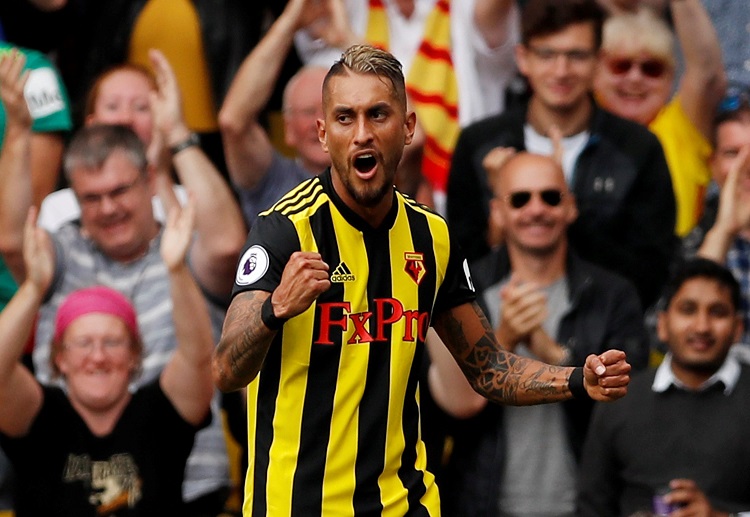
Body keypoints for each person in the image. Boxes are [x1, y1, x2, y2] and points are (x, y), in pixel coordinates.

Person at [212, 44, 631, 516]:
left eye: (379, 115)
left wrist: (578, 379)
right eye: (346, 119)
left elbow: (488, 369)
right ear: (323, 134)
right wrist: (274, 310)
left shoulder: (432, 237)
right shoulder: (285, 230)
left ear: (407, 127)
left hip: (403, 504)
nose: (363, 134)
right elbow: (226, 371)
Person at [0, 51, 247, 514]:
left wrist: (175, 135)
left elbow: (229, 245)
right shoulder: (65, 246)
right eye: (91, 198)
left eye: (120, 192)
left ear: (149, 180)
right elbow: (13, 242)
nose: (108, 208)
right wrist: (18, 134)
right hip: (63, 466)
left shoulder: (182, 238)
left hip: (187, 476)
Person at [427, 152, 649, 516]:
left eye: (550, 197)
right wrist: (503, 340)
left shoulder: (612, 294)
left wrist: (552, 352)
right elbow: (447, 412)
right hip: (480, 504)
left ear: (571, 207)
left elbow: (632, 414)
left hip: (586, 505)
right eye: (520, 199)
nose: (536, 209)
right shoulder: (462, 291)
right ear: (497, 212)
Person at [446, 0, 676, 310]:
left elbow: (649, 275)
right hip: (497, 333)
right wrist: (500, 217)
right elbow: (457, 271)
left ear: (599, 62)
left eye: (576, 56)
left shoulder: (638, 149)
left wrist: (564, 207)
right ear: (523, 59)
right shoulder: (480, 144)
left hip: (604, 339)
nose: (561, 71)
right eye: (547, 55)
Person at [0, 198, 216, 515]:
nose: (98, 356)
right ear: (59, 358)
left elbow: (199, 358)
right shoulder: (42, 417)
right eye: (83, 343)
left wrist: (177, 270)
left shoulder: (158, 414)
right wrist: (34, 287)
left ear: (134, 355)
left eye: (113, 342)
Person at [292, 0, 521, 210]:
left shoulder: (465, 9)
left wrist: (348, 39)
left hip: (465, 204)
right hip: (372, 202)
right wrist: (346, 37)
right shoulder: (350, 10)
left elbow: (414, 141)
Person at [577, 257, 750, 516]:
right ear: (662, 324)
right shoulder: (621, 399)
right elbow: (592, 508)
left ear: (738, 328)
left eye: (717, 312)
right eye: (688, 309)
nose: (702, 326)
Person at [594, 1, 726, 237]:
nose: (635, 78)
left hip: (676, 266)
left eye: (651, 69)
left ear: (670, 78)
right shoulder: (579, 124)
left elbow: (707, 73)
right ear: (596, 72)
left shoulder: (682, 127)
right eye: (620, 66)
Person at [218, 0, 331, 228]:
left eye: (331, 111)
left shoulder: (372, 171)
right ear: (288, 128)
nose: (319, 123)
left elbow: (412, 137)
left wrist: (349, 40)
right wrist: (290, 21)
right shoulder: (274, 180)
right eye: (308, 112)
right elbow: (233, 121)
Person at [683, 95, 750, 345]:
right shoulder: (694, 239)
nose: (747, 165)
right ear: (713, 164)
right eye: (733, 153)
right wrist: (725, 230)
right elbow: (679, 331)